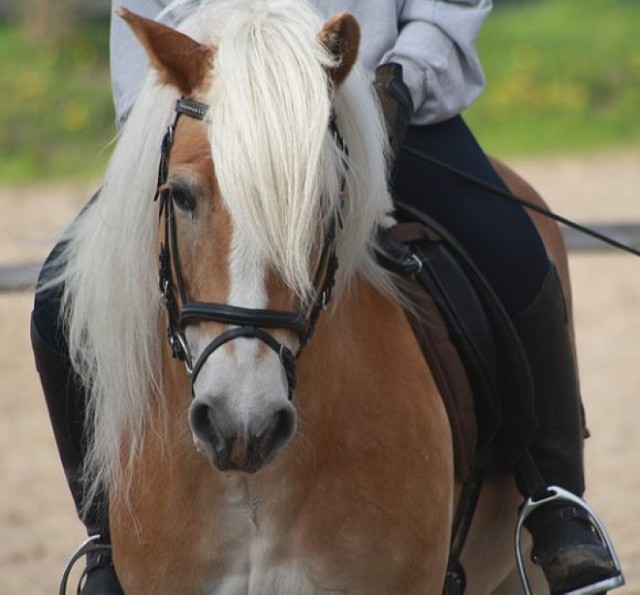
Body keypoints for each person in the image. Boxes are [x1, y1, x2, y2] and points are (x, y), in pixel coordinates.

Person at [31, 1, 622, 593]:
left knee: (513, 252)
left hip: (372, 102)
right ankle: (105, 537)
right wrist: (170, 113)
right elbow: (142, 18)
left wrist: (404, 79)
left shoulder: (385, 92)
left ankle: (557, 503)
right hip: (206, 108)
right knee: (58, 303)